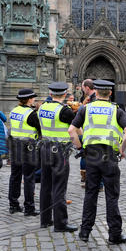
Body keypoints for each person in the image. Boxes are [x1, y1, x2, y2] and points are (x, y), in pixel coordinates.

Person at [68, 79, 126, 244]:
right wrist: (122, 149)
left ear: (95, 92)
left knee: (90, 194)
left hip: (91, 156)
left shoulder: (85, 109)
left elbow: (71, 131)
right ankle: (114, 235)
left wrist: (80, 148)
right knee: (112, 196)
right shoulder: (116, 110)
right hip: (109, 156)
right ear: (110, 93)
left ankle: (85, 232)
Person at [38, 82, 77, 231]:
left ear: (51, 93)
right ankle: (61, 223)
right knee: (59, 186)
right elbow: (74, 129)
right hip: (60, 151)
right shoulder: (64, 111)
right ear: (65, 94)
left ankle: (45, 219)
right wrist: (79, 146)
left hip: (45, 147)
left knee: (46, 185)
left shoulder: (42, 107)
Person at [8, 89, 41, 216]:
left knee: (15, 175)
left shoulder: (14, 110)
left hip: (15, 145)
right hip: (28, 147)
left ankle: (13, 204)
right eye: (33, 98)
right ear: (28, 99)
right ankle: (29, 207)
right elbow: (40, 129)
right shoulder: (31, 114)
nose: (34, 100)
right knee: (28, 177)